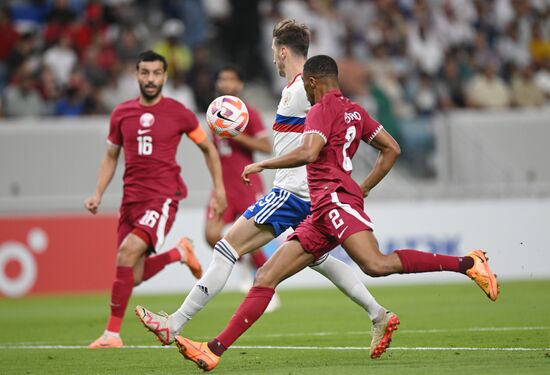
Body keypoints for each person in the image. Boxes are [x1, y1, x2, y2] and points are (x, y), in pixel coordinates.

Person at [174, 55, 499, 372]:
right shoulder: (356, 111)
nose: (307, 91)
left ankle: (468, 264)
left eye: (307, 85)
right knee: (266, 277)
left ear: (313, 82)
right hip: (324, 208)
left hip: (334, 202)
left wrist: (263, 163)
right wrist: (364, 187)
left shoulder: (319, 110)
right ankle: (213, 350)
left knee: (376, 264)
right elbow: (392, 149)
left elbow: (309, 151)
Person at [136, 19, 393, 357]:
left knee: (227, 248)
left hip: (291, 193)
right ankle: (379, 313)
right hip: (311, 195)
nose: (272, 57)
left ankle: (176, 324)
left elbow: (326, 124)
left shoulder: (304, 89)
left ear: (282, 50)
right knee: (320, 258)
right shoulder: (301, 88)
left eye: (274, 50)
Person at [85, 50, 226, 348]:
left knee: (126, 254)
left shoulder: (179, 112)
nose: (150, 79)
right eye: (145, 73)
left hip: (161, 197)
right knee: (131, 276)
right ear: (136, 75)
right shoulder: (121, 113)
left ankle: (111, 334)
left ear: (165, 76)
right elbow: (111, 156)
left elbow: (208, 149)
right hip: (130, 202)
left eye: (156, 73)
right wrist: (97, 192)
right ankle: (179, 253)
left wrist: (220, 190)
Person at [203, 65, 277, 303]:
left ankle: (266, 287)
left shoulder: (249, 114)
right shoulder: (214, 116)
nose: (226, 84)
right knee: (210, 234)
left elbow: (267, 147)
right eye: (222, 80)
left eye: (231, 80)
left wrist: (236, 133)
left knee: (250, 238)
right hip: (223, 187)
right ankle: (244, 263)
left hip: (247, 185)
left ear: (240, 85)